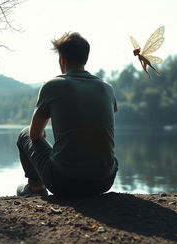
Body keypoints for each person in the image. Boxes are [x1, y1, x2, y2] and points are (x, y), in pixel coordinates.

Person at [16, 32, 118, 196]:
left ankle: (36, 188)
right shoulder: (107, 88)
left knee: (25, 133)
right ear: (85, 58)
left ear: (62, 59)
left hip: (63, 183)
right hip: (104, 181)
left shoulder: (53, 85)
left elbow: (35, 134)